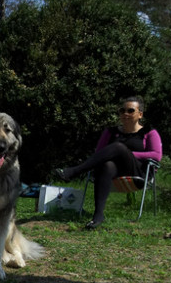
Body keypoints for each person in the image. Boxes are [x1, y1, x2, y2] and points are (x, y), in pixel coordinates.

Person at [55, 96, 162, 229]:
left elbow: (156, 155)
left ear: (140, 114)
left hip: (137, 172)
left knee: (118, 147)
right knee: (106, 164)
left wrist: (128, 154)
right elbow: (99, 153)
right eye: (122, 111)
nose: (125, 114)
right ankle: (98, 215)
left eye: (130, 110)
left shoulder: (149, 132)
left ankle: (74, 171)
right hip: (113, 172)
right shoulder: (110, 132)